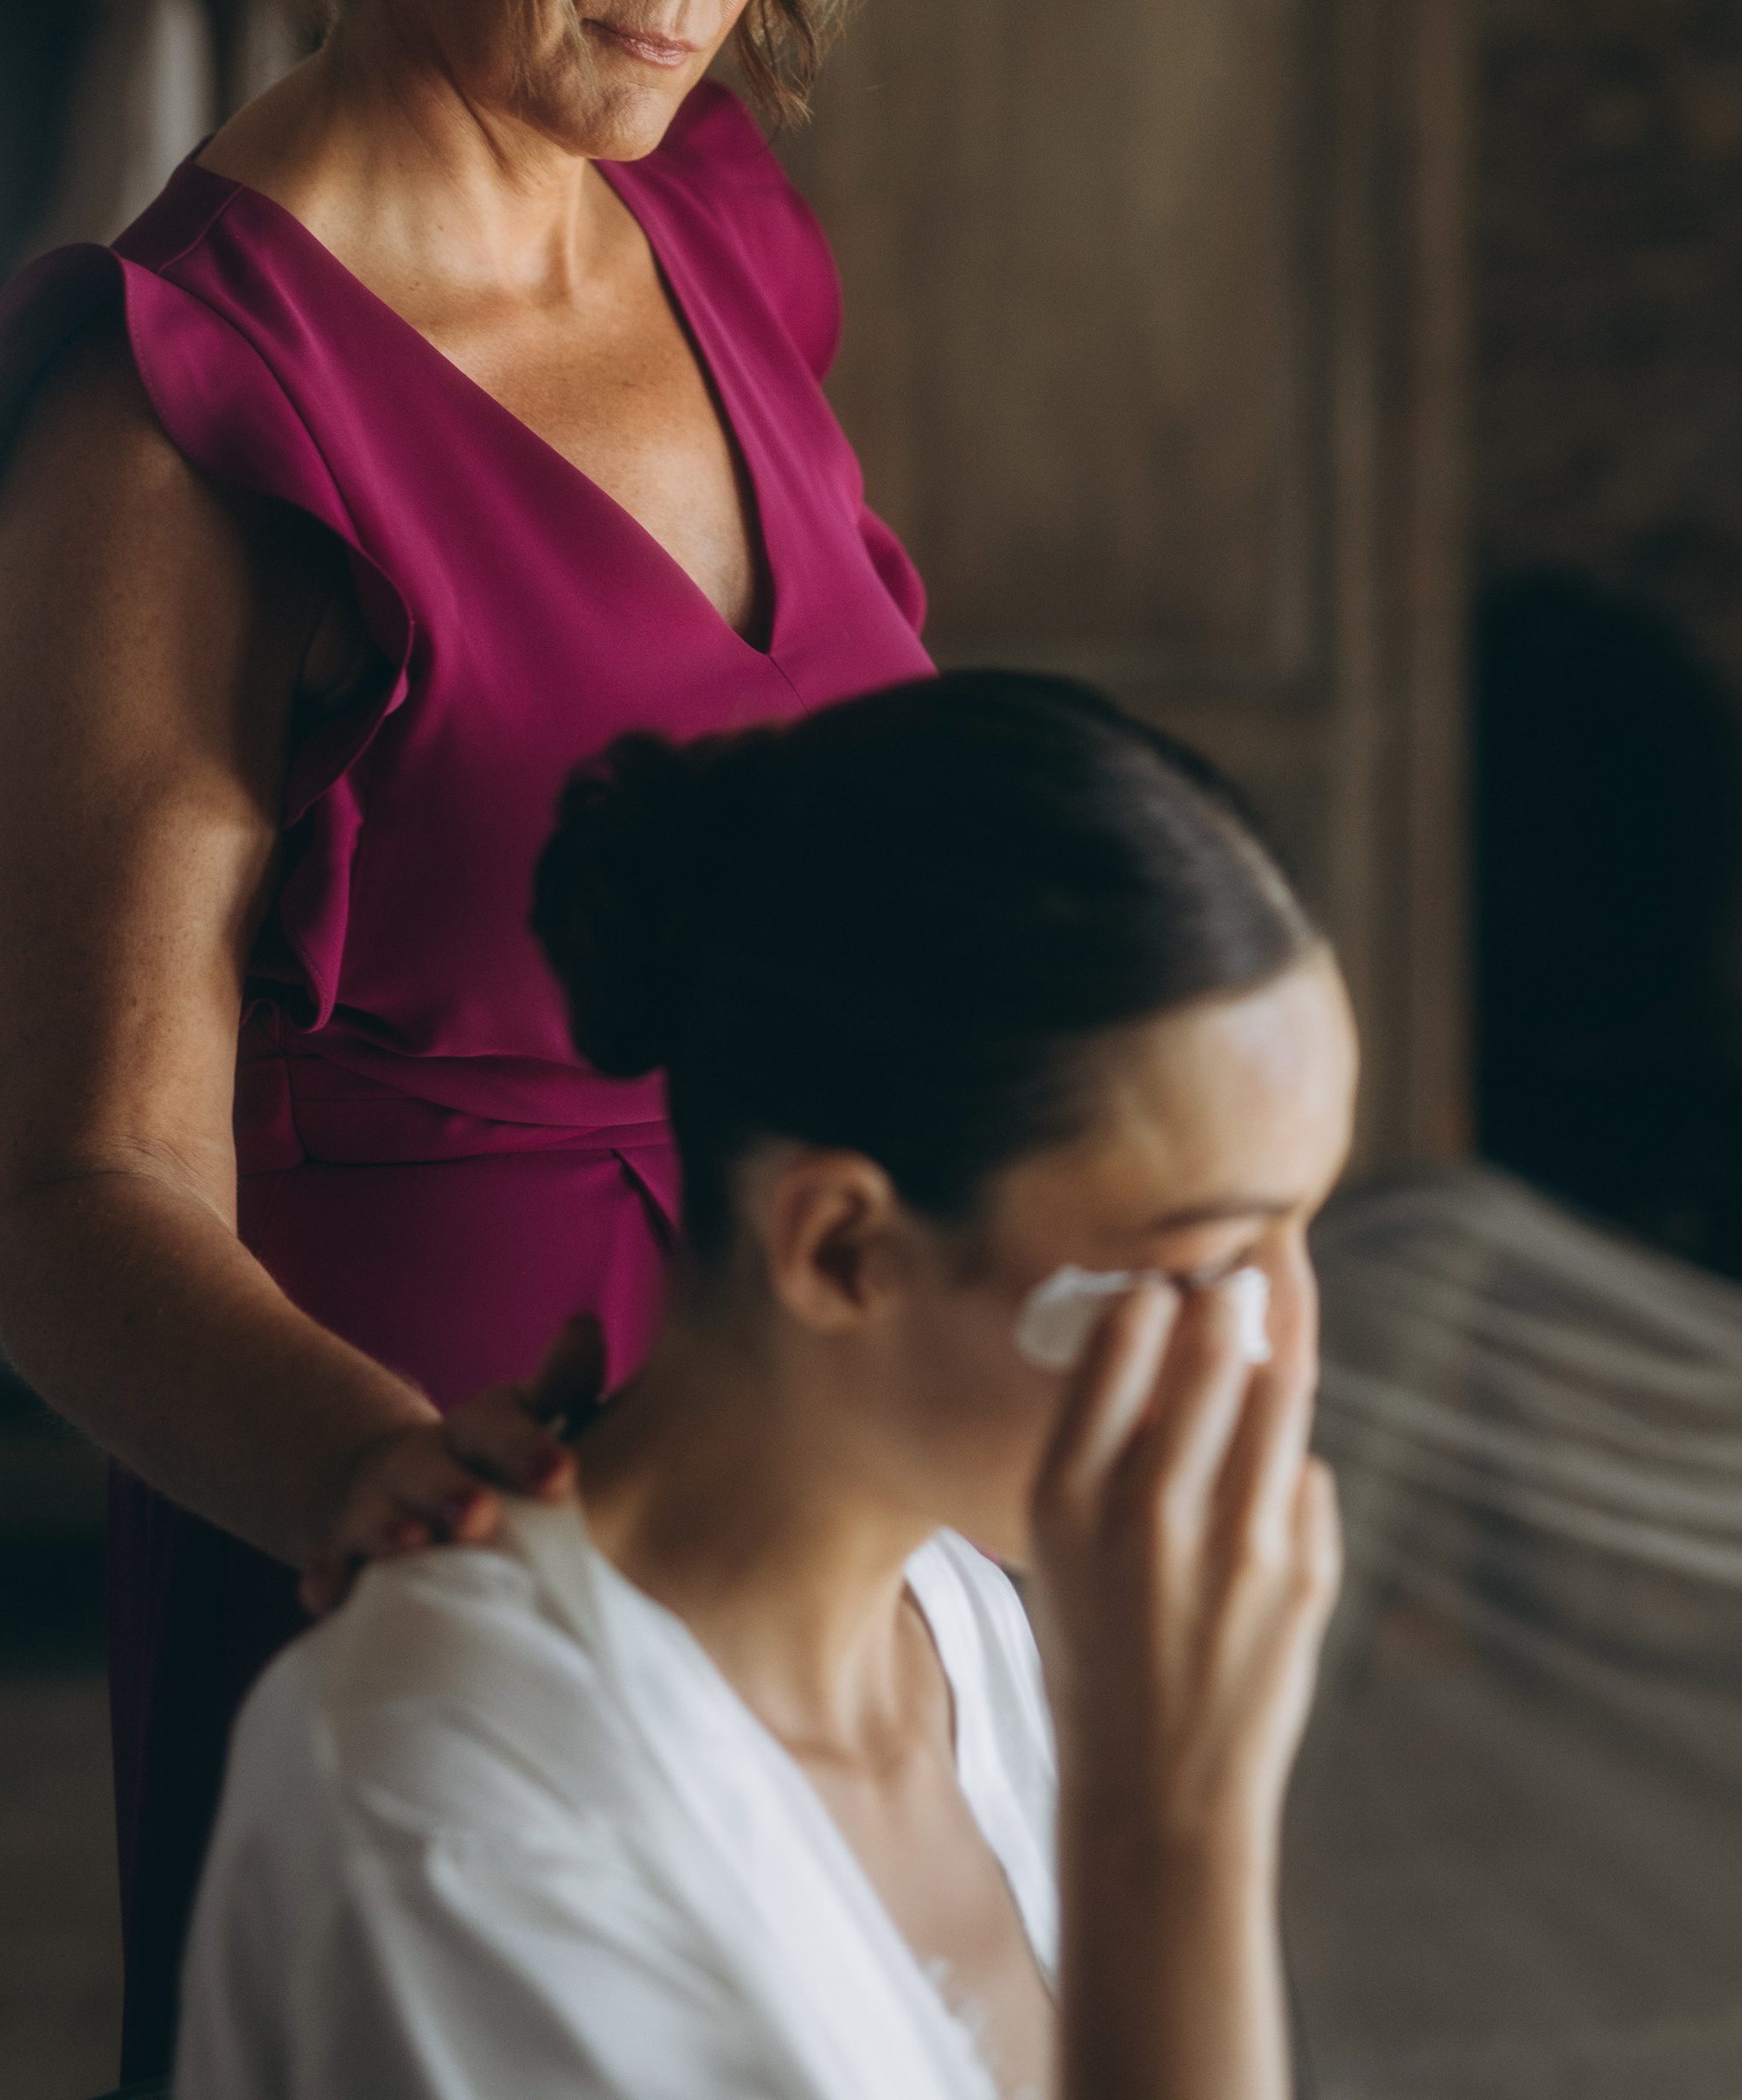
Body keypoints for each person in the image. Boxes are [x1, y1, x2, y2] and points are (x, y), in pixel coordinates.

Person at [0, 0, 924, 2076]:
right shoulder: (170, 423)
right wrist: (422, 1514)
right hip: (430, 1535)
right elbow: (77, 1201)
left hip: (822, 1456)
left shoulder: (729, 246)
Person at [177, 670, 1358, 2100]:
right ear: (842, 1248)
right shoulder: (451, 1815)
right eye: (1200, 1267)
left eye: (1304, 1232)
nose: (1284, 1350)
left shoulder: (960, 1619)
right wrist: (1174, 1833)